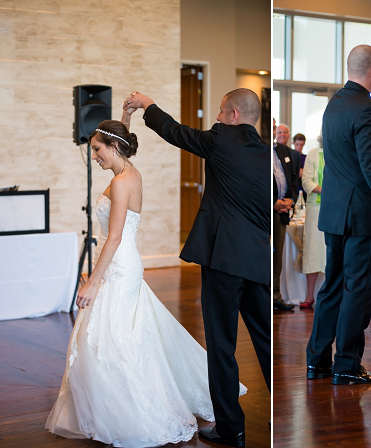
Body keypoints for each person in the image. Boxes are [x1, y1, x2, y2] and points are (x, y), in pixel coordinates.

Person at [45, 116, 244, 446]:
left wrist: (93, 280)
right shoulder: (129, 173)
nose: (94, 156)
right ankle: (111, 405)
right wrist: (122, 121)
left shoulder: (122, 182)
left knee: (114, 339)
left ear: (114, 147)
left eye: (97, 149)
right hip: (120, 263)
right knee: (116, 336)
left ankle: (132, 409)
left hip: (120, 265)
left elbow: (114, 237)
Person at [125, 87, 270, 446]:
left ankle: (230, 428)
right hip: (257, 260)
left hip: (223, 259)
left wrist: (147, 104)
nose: (217, 118)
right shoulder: (267, 153)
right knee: (266, 340)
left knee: (222, 345)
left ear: (234, 114)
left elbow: (176, 132)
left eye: (221, 112)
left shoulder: (222, 138)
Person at [306, 45, 371, 386]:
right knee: (359, 290)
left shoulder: (333, 105)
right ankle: (347, 364)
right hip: (360, 216)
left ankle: (317, 360)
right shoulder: (367, 110)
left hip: (334, 213)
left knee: (332, 286)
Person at [272, 117, 296, 311]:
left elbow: (293, 178)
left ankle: (276, 297)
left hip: (282, 212)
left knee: (277, 256)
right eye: (272, 128)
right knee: (264, 256)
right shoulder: (258, 150)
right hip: (264, 212)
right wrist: (273, 203)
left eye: (275, 128)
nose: (274, 132)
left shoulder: (284, 151)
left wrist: (291, 199)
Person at [300, 137, 325, 308]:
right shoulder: (314, 153)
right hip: (315, 210)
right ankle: (310, 296)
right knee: (313, 252)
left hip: (338, 209)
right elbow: (306, 181)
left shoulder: (342, 151)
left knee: (332, 253)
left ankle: (330, 296)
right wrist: (325, 190)